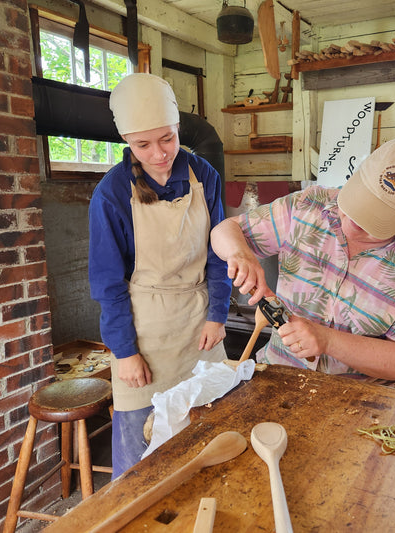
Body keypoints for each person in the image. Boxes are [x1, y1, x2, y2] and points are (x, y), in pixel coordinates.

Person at [211, 137, 395, 389]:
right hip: (283, 370)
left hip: (365, 392)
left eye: (377, 218)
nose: (356, 222)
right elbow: (225, 230)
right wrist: (241, 254)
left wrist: (328, 341)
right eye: (361, 199)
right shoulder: (308, 205)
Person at [88, 73, 231, 478]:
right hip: (144, 335)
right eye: (142, 144)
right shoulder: (112, 193)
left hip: (199, 323)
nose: (158, 154)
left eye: (167, 139)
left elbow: (219, 254)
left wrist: (218, 314)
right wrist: (125, 351)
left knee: (209, 437)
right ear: (127, 142)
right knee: (140, 456)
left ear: (178, 129)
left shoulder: (204, 176)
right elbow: (108, 284)